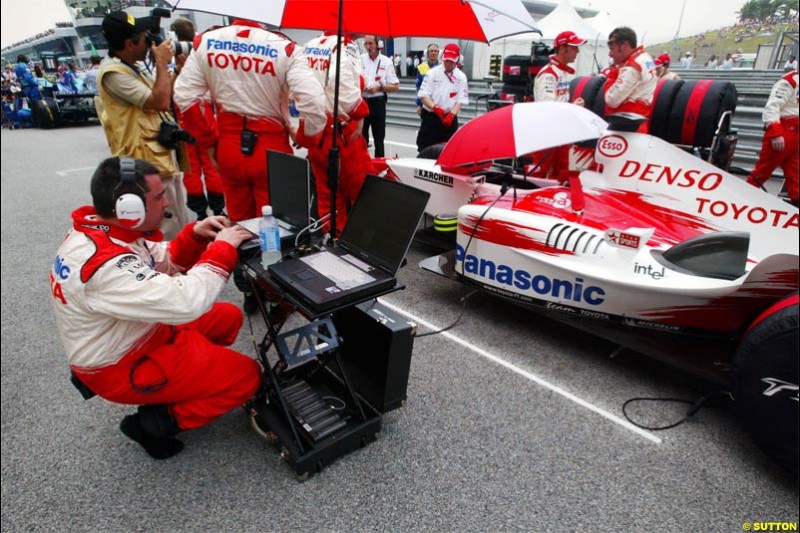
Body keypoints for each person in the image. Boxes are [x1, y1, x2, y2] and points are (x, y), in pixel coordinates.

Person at [51, 156, 261, 460]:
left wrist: (195, 235)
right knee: (248, 377)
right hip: (120, 362)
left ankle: (184, 384)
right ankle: (153, 424)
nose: (166, 203)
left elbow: (160, 260)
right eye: (158, 196)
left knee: (227, 317)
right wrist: (222, 248)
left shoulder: (104, 232)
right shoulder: (104, 265)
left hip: (137, 333)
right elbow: (187, 302)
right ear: (129, 209)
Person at [174, 18, 326, 312]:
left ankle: (249, 289)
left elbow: (184, 97)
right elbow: (314, 105)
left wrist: (210, 140)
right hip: (272, 150)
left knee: (241, 227)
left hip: (228, 146)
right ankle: (279, 294)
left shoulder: (206, 42)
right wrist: (305, 137)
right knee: (278, 227)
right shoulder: (285, 48)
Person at [96, 11, 190, 241]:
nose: (150, 44)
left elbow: (166, 100)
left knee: (178, 220)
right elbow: (157, 101)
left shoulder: (133, 68)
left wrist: (175, 70)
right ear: (129, 44)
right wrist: (160, 62)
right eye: (144, 38)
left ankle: (179, 269)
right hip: (144, 163)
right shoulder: (113, 73)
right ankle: (165, 272)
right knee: (163, 227)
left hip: (160, 156)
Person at [303, 31, 371, 234]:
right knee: (361, 193)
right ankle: (362, 243)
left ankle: (332, 241)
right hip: (342, 131)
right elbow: (341, 83)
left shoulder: (310, 44)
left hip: (316, 130)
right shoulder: (346, 46)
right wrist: (359, 113)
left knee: (326, 194)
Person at [169, 17, 226, 221]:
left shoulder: (180, 63)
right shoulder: (205, 54)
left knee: (191, 172)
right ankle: (217, 210)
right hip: (205, 122)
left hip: (184, 127)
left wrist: (177, 69)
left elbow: (170, 94)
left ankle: (201, 213)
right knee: (211, 168)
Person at [532, 30, 587, 214]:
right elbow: (547, 109)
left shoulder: (561, 73)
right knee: (542, 178)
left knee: (562, 174)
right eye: (574, 48)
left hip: (561, 133)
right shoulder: (548, 74)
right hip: (548, 135)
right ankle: (536, 211)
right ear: (563, 48)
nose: (577, 52)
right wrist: (572, 107)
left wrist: (572, 106)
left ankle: (556, 211)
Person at [746, 69, 798, 207]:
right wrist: (776, 133)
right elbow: (772, 107)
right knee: (762, 172)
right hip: (783, 132)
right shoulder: (789, 81)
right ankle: (742, 199)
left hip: (795, 135)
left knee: (796, 177)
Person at [603, 27, 657, 133]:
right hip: (638, 122)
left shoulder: (632, 67)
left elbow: (611, 99)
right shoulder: (645, 57)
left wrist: (612, 74)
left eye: (612, 49)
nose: (610, 54)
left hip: (626, 126)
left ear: (624, 46)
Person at [416, 43, 469, 152]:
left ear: (457, 60)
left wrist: (452, 114)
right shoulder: (432, 73)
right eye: (446, 60)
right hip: (432, 116)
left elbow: (460, 100)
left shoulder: (461, 77)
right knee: (425, 149)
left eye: (452, 61)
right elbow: (423, 96)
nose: (448, 63)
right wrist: (435, 107)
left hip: (449, 118)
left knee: (448, 151)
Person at [360, 35, 400, 157]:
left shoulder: (386, 61)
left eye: (371, 44)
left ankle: (379, 167)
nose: (368, 47)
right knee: (361, 138)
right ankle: (362, 165)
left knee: (379, 138)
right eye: (366, 44)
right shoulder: (360, 59)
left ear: (378, 44)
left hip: (378, 102)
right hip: (362, 101)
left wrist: (379, 87)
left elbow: (395, 86)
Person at [415, 43, 439, 116]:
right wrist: (419, 104)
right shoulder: (422, 67)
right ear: (427, 53)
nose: (433, 53)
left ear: (438, 54)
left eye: (435, 51)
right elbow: (419, 87)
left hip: (438, 103)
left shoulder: (442, 67)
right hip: (425, 103)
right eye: (431, 51)